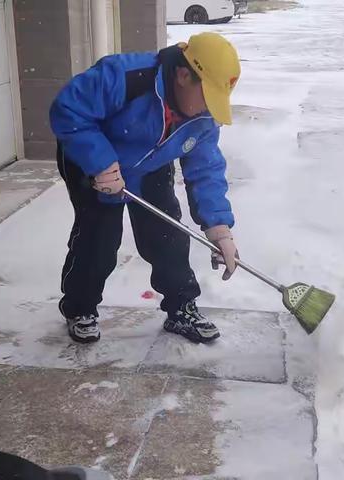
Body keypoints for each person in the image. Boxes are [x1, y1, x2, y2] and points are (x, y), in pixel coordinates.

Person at [49, 32, 240, 345]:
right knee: (99, 238)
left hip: (149, 165)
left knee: (168, 235)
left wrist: (220, 230)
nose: (211, 107)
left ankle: (181, 307)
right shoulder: (126, 77)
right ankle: (79, 308)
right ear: (182, 75)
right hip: (92, 160)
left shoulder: (204, 117)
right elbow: (68, 109)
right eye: (207, 95)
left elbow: (206, 169)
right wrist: (100, 162)